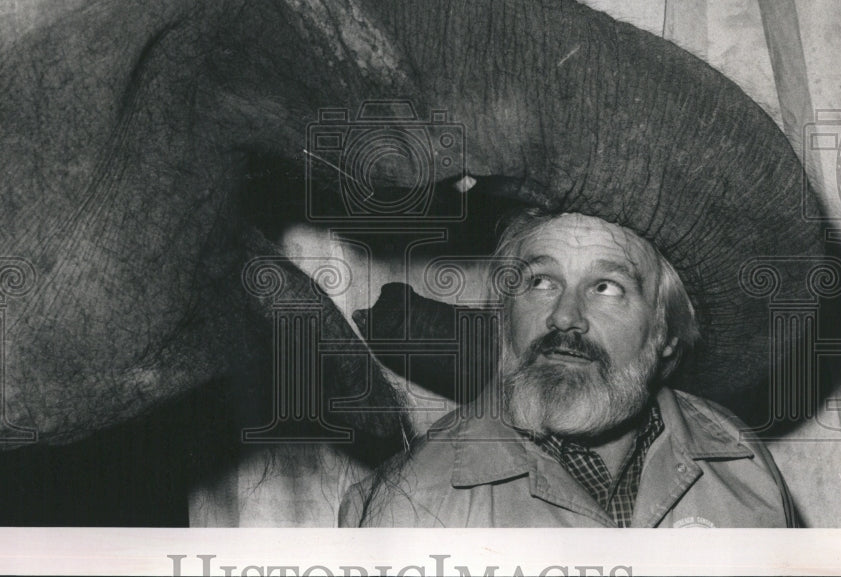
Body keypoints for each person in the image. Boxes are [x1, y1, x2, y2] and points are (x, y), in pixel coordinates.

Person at [338, 209, 795, 528]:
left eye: (606, 287)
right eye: (541, 281)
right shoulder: (405, 506)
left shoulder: (741, 463)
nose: (564, 316)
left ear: (666, 336)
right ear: (504, 317)